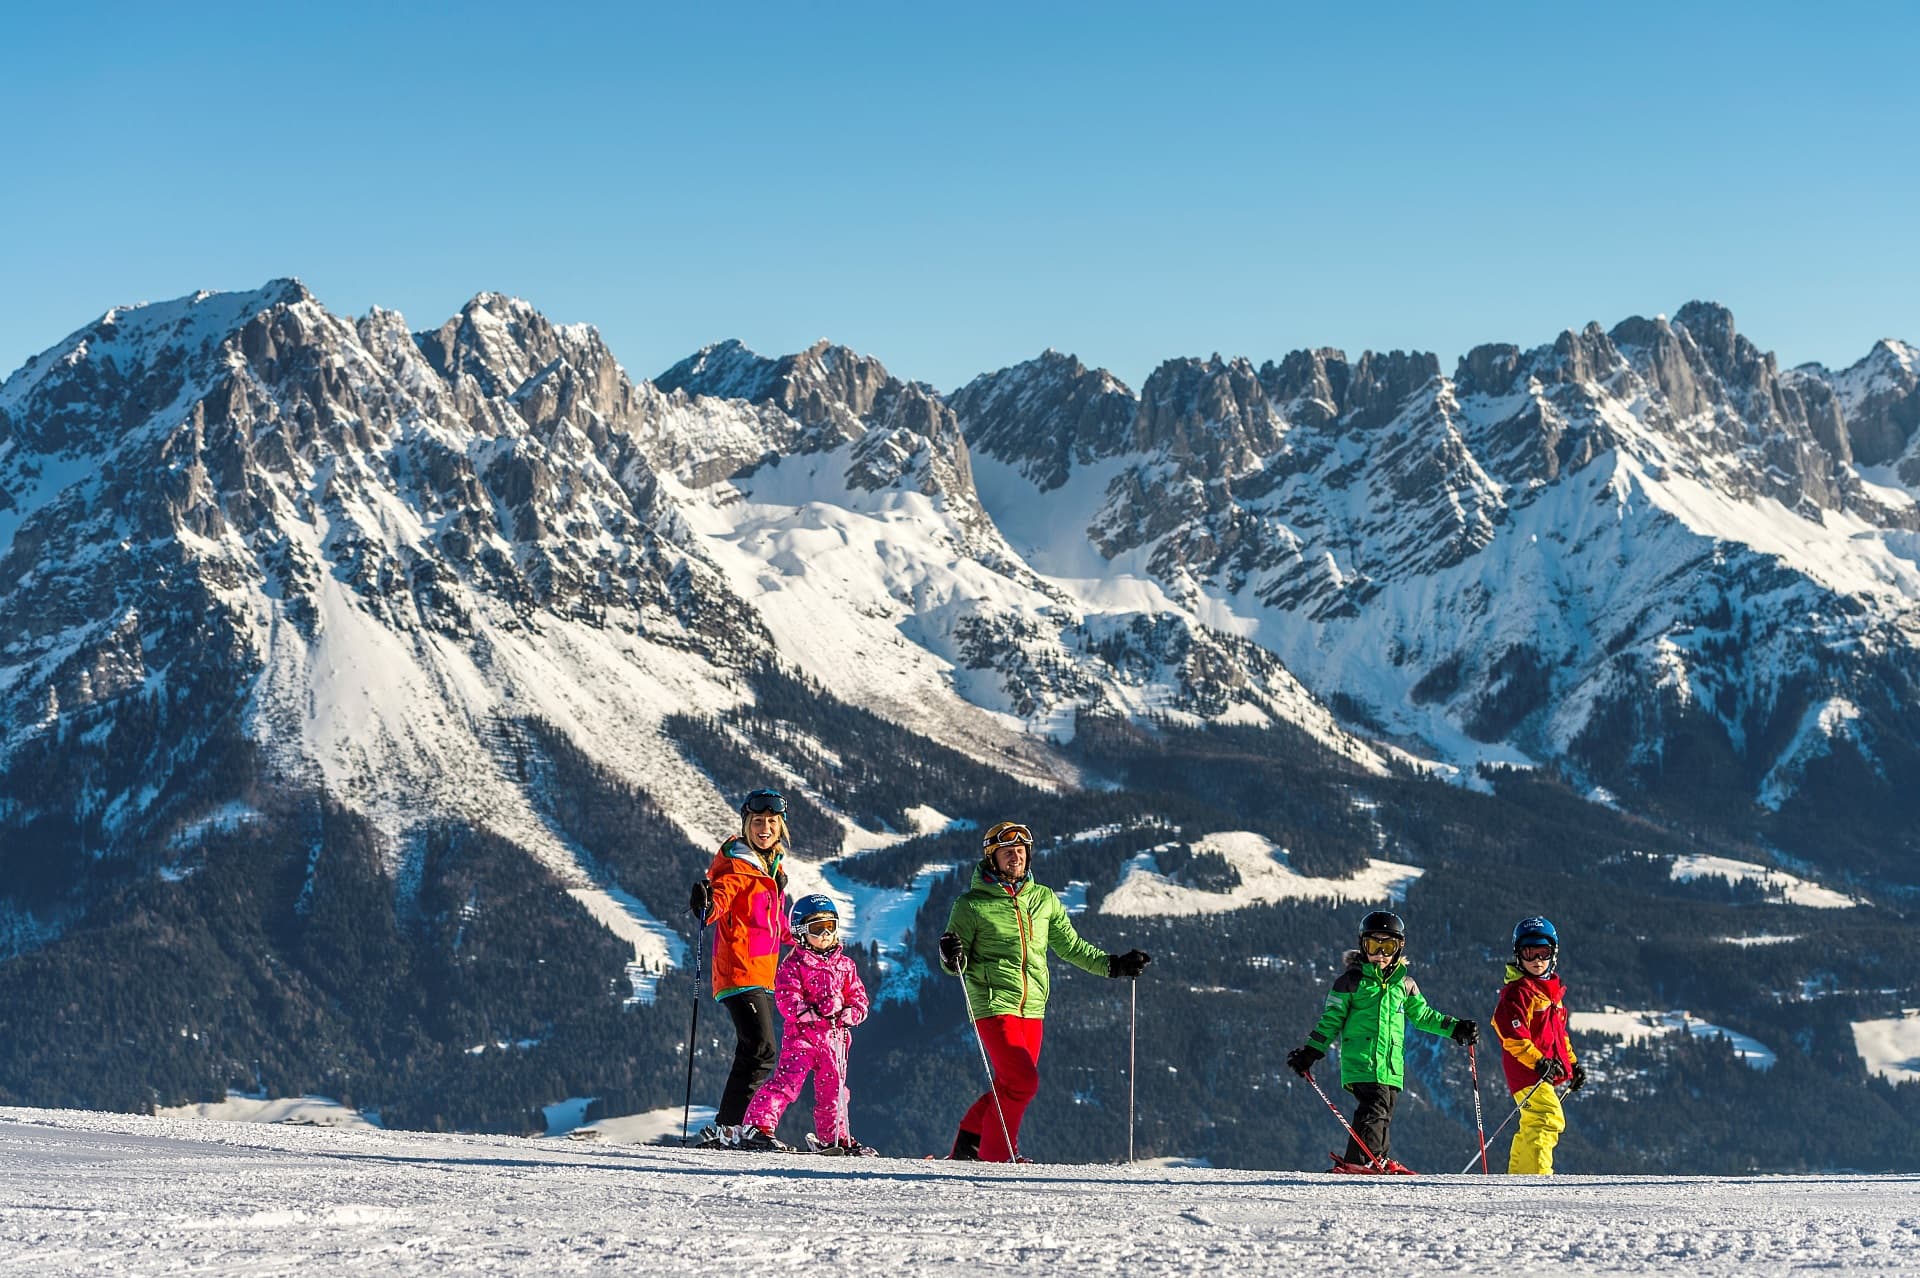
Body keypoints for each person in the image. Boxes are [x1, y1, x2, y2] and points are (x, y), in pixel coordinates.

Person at [937, 819, 1151, 1162]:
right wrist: (950, 956)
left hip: (1033, 1008)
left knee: (1011, 1084)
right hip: (992, 1004)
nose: (1015, 858)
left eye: (1020, 852)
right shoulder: (971, 905)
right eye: (1007, 852)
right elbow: (955, 963)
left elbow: (1071, 946)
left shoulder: (1044, 900)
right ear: (992, 858)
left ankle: (968, 1144)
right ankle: (997, 1159)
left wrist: (1114, 966)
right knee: (1023, 1081)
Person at [1286, 909, 1478, 1174]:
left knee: (1384, 1109)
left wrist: (1456, 1028)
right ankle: (1361, 1160)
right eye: (1373, 945)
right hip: (1362, 1060)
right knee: (1374, 1107)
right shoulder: (1351, 982)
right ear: (1362, 945)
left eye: (1387, 946)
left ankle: (1376, 1158)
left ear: (1399, 948)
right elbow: (1330, 1021)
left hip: (1390, 1065)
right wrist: (1311, 1052)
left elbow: (1423, 1016)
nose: (1380, 954)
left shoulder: (1405, 984)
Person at [688, 788, 791, 1149]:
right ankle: (728, 1128)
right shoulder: (737, 866)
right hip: (739, 969)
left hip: (761, 973)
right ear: (747, 824)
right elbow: (719, 900)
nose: (764, 828)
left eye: (771, 822)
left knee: (755, 1049)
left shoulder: (769, 870)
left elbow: (777, 925)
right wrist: (705, 904)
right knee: (760, 1049)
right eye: (758, 821)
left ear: (780, 827)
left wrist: (807, 939)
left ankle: (730, 1128)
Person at [738, 894, 875, 1154]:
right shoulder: (794, 965)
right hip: (802, 1039)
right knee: (787, 1083)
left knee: (835, 1090)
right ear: (801, 933)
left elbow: (859, 997)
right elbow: (786, 998)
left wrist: (851, 1013)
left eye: (830, 927)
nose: (825, 934)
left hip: (835, 1041)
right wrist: (812, 1011)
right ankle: (758, 1126)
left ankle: (835, 1138)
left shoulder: (846, 966)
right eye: (816, 928)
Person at [1493, 915, 1586, 1175]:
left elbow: (1559, 1037)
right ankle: (1537, 1179)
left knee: (1534, 1122)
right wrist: (1538, 1062)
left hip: (1540, 1071)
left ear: (1553, 954)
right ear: (1518, 954)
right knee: (1547, 1118)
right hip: (1527, 1071)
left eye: (1542, 952)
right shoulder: (1518, 992)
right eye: (1529, 952)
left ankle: (1519, 1178)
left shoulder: (1549, 993)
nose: (1536, 960)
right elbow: (1510, 1033)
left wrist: (1573, 1064)